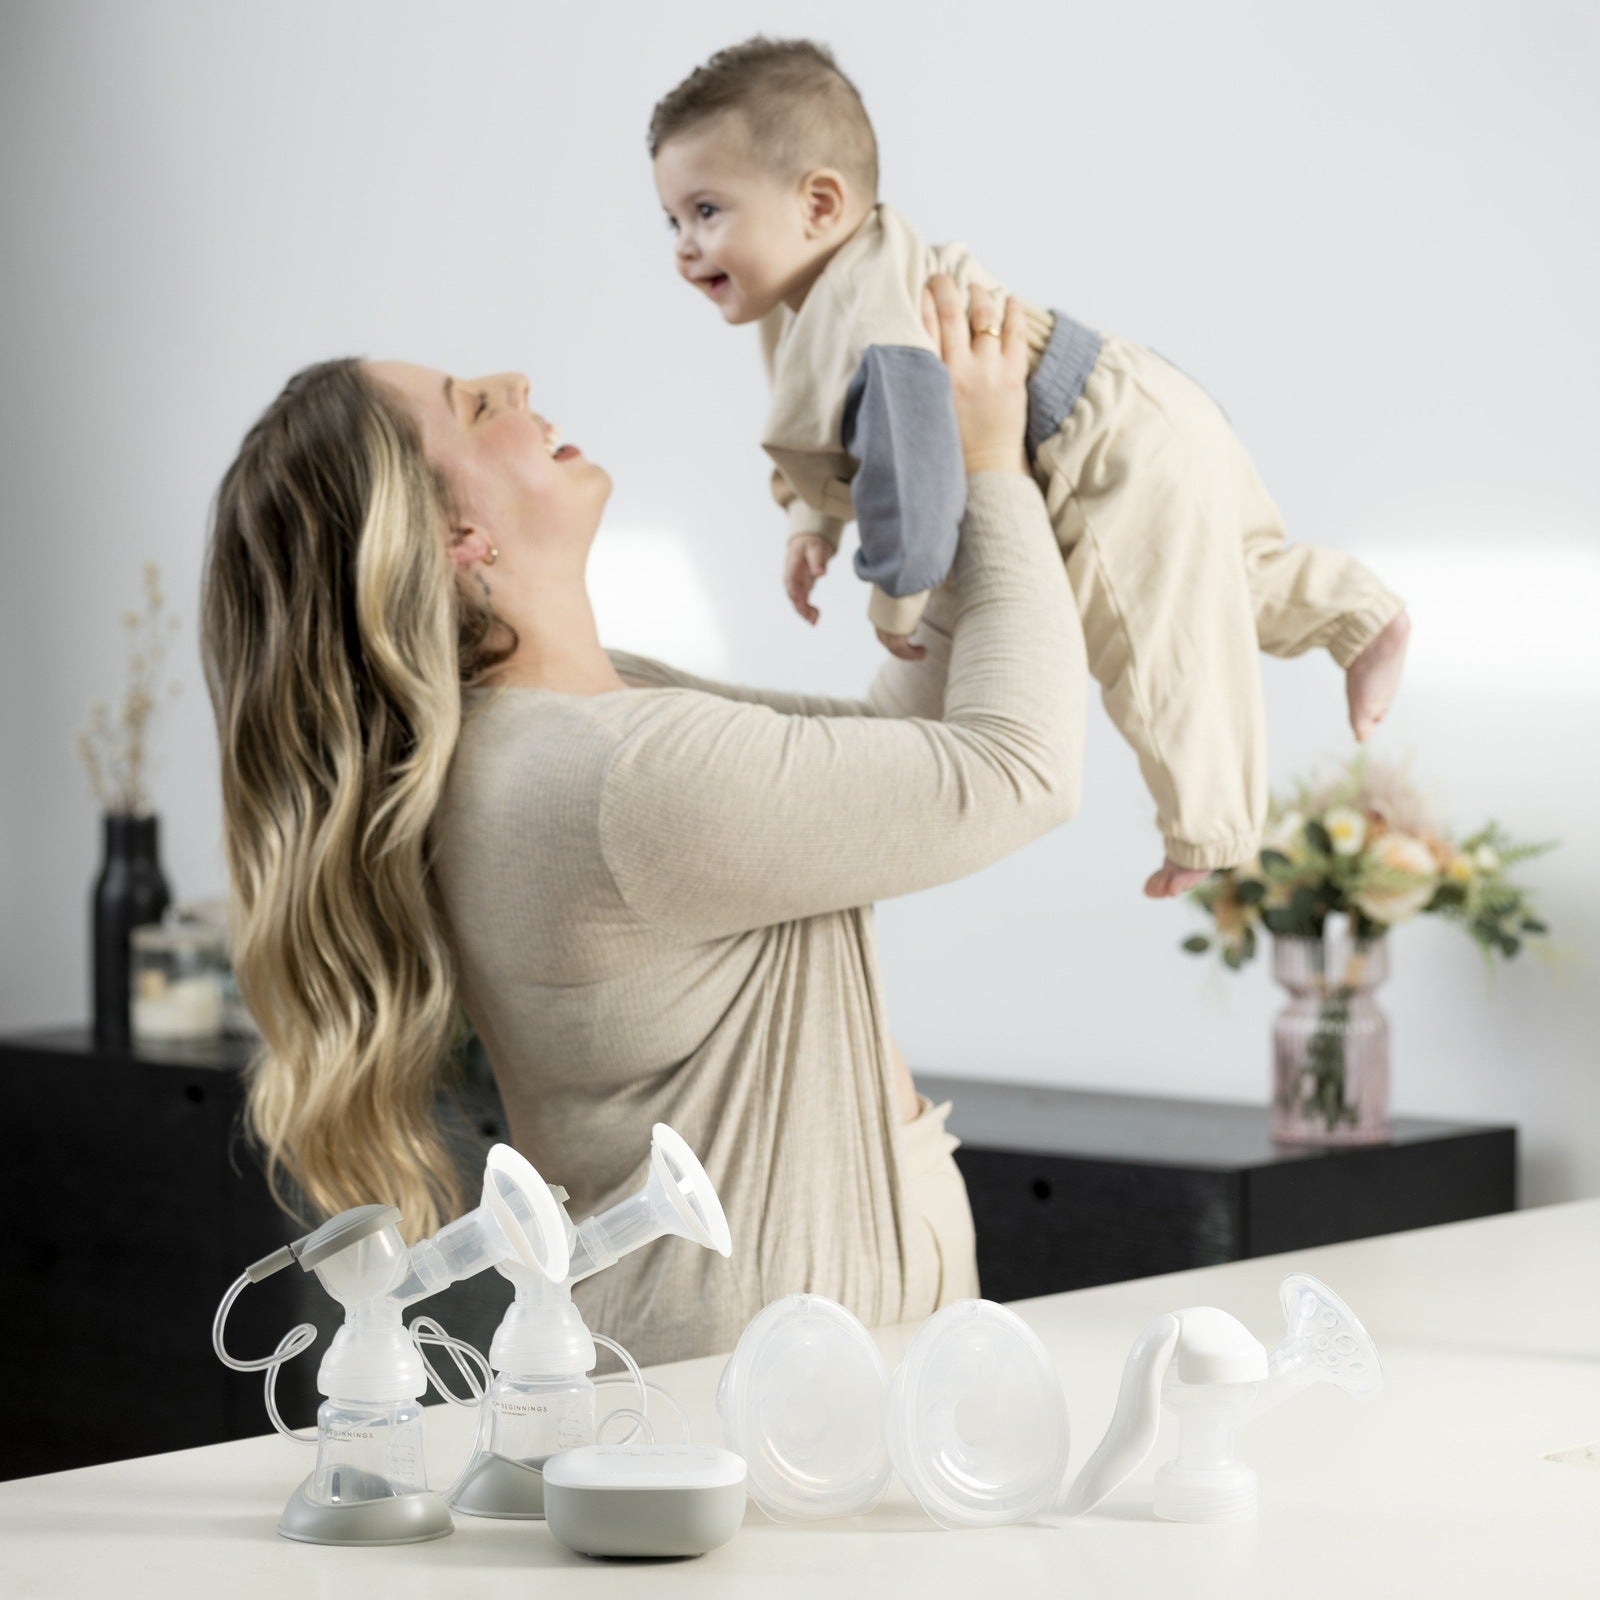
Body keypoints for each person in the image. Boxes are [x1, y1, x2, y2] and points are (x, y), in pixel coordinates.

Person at [200, 277, 1085, 1366]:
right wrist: (993, 463)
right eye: (475, 407)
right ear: (456, 535)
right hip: (767, 1396)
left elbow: (907, 737)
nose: (515, 384)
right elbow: (1015, 765)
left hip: (779, 1377)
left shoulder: (592, 722)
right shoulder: (610, 780)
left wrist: (931, 470)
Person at [649, 37, 1413, 901]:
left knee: (1152, 640)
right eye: (672, 220)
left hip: (1093, 445)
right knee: (1218, 583)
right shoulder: (813, 295)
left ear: (820, 203)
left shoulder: (870, 317)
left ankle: (1210, 831)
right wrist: (810, 522)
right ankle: (1361, 614)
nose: (683, 245)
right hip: (1130, 399)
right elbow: (839, 433)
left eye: (707, 211)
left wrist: (896, 590)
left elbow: (920, 464)